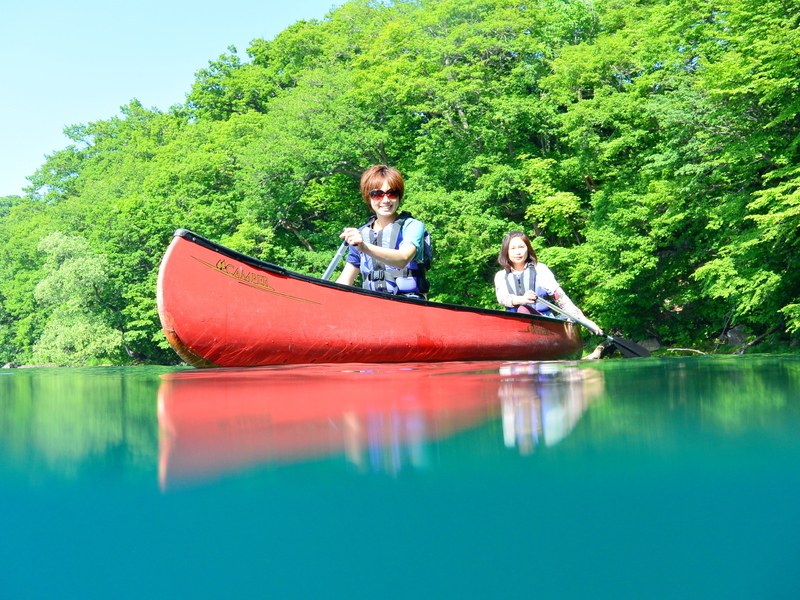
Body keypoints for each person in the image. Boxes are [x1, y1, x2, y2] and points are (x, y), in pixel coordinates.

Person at [336, 165, 430, 298]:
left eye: (391, 193)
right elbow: (344, 281)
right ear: (369, 197)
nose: (385, 200)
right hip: (373, 306)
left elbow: (403, 258)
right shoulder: (361, 234)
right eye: (377, 194)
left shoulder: (412, 226)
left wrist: (363, 247)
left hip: (409, 304)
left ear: (398, 196)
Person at [494, 231, 603, 335]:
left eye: (521, 247)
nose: (517, 252)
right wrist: (522, 299)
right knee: (523, 309)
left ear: (528, 249)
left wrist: (584, 320)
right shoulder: (501, 276)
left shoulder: (540, 269)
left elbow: (561, 298)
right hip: (515, 324)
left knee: (525, 310)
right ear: (506, 252)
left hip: (544, 323)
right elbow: (502, 299)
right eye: (512, 248)